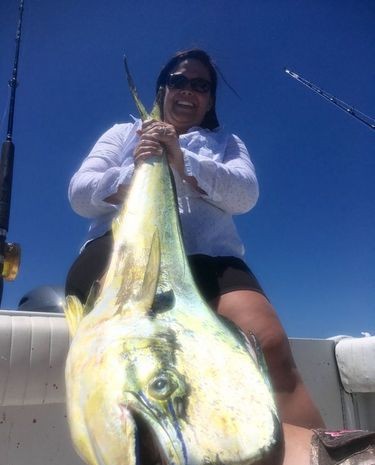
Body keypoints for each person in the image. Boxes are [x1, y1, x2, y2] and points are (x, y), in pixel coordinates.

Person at [66, 48, 323, 430]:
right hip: (125, 249)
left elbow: (246, 194)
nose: (189, 90)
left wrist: (183, 162)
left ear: (209, 101)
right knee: (135, 351)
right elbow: (79, 194)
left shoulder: (228, 143)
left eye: (200, 85)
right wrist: (132, 170)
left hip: (210, 259)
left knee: (268, 345)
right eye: (179, 81)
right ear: (162, 90)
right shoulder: (122, 134)